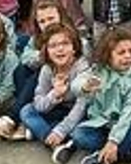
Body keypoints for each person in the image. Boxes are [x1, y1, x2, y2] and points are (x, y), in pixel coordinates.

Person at [63, 26, 131, 164]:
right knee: (79, 135)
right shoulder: (99, 70)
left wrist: (113, 142)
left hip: (125, 125)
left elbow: (130, 112)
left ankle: (101, 159)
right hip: (101, 123)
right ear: (108, 55)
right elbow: (75, 85)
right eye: (121, 53)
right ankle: (126, 153)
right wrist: (85, 87)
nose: (127, 56)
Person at [18, 24, 89, 156]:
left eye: (65, 44)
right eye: (53, 46)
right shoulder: (47, 69)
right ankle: (55, 143)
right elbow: (39, 104)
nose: (60, 49)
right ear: (47, 51)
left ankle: (51, 135)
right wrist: (55, 94)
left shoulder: (82, 67)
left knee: (81, 130)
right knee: (26, 111)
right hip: (58, 110)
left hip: (81, 114)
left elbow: (81, 106)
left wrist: (61, 130)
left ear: (74, 48)